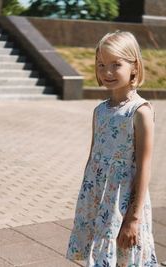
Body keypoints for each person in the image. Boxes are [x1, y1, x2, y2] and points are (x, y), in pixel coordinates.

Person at [66, 31, 158, 266]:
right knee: (101, 254)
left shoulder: (140, 112)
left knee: (123, 253)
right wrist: (86, 202)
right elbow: (92, 159)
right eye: (101, 65)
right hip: (97, 196)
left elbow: (144, 168)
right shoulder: (100, 111)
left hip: (123, 200)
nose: (107, 72)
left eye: (116, 65)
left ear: (134, 67)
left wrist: (133, 218)